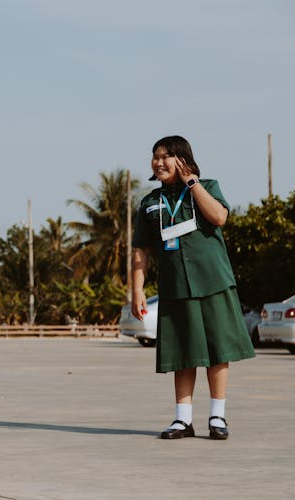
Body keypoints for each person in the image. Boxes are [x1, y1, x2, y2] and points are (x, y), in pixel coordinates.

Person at [132, 135, 255, 440]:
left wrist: (193, 183)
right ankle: (182, 420)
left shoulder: (207, 187)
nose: (158, 162)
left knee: (217, 351)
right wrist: (137, 290)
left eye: (166, 156)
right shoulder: (149, 203)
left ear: (183, 159)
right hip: (175, 287)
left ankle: (217, 417)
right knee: (182, 353)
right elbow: (141, 252)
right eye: (155, 156)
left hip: (213, 282)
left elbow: (219, 216)